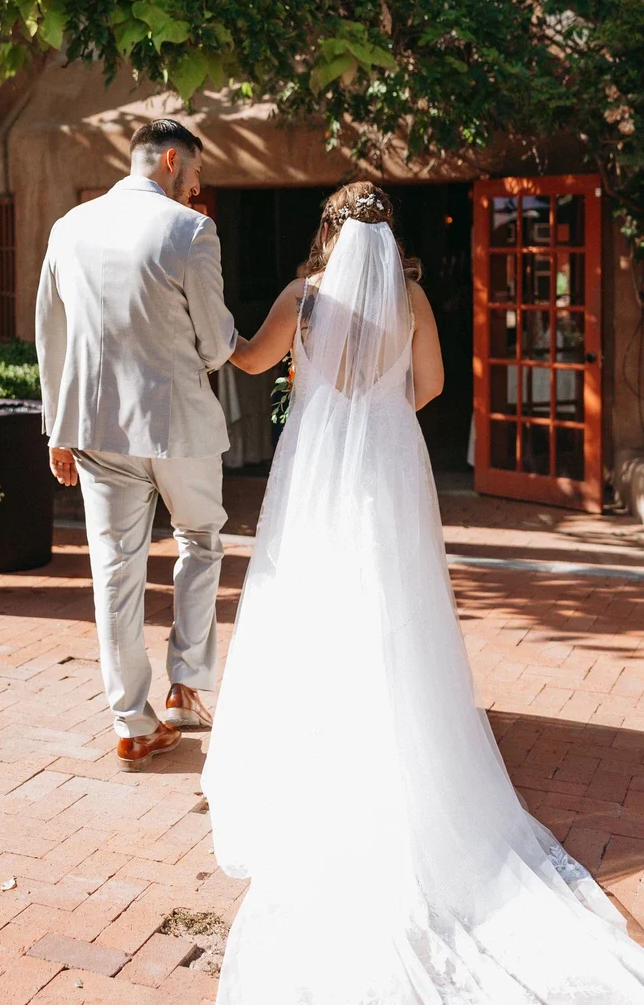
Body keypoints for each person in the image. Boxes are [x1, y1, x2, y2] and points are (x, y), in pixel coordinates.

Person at [202, 182, 644, 1004]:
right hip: (387, 465)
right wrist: (375, 409)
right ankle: (400, 736)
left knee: (307, 600)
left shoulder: (304, 296)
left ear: (329, 229)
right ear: (387, 234)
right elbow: (434, 383)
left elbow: (251, 360)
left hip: (315, 469)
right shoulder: (408, 295)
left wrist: (224, 331)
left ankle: (311, 747)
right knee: (392, 605)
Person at [35, 119, 237, 772]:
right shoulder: (190, 231)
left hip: (97, 428)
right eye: (195, 177)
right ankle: (184, 686)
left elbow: (50, 334)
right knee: (199, 541)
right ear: (171, 160)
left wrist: (57, 426)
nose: (195, 190)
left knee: (114, 572)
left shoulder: (68, 227)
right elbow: (214, 343)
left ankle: (132, 721)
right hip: (179, 422)